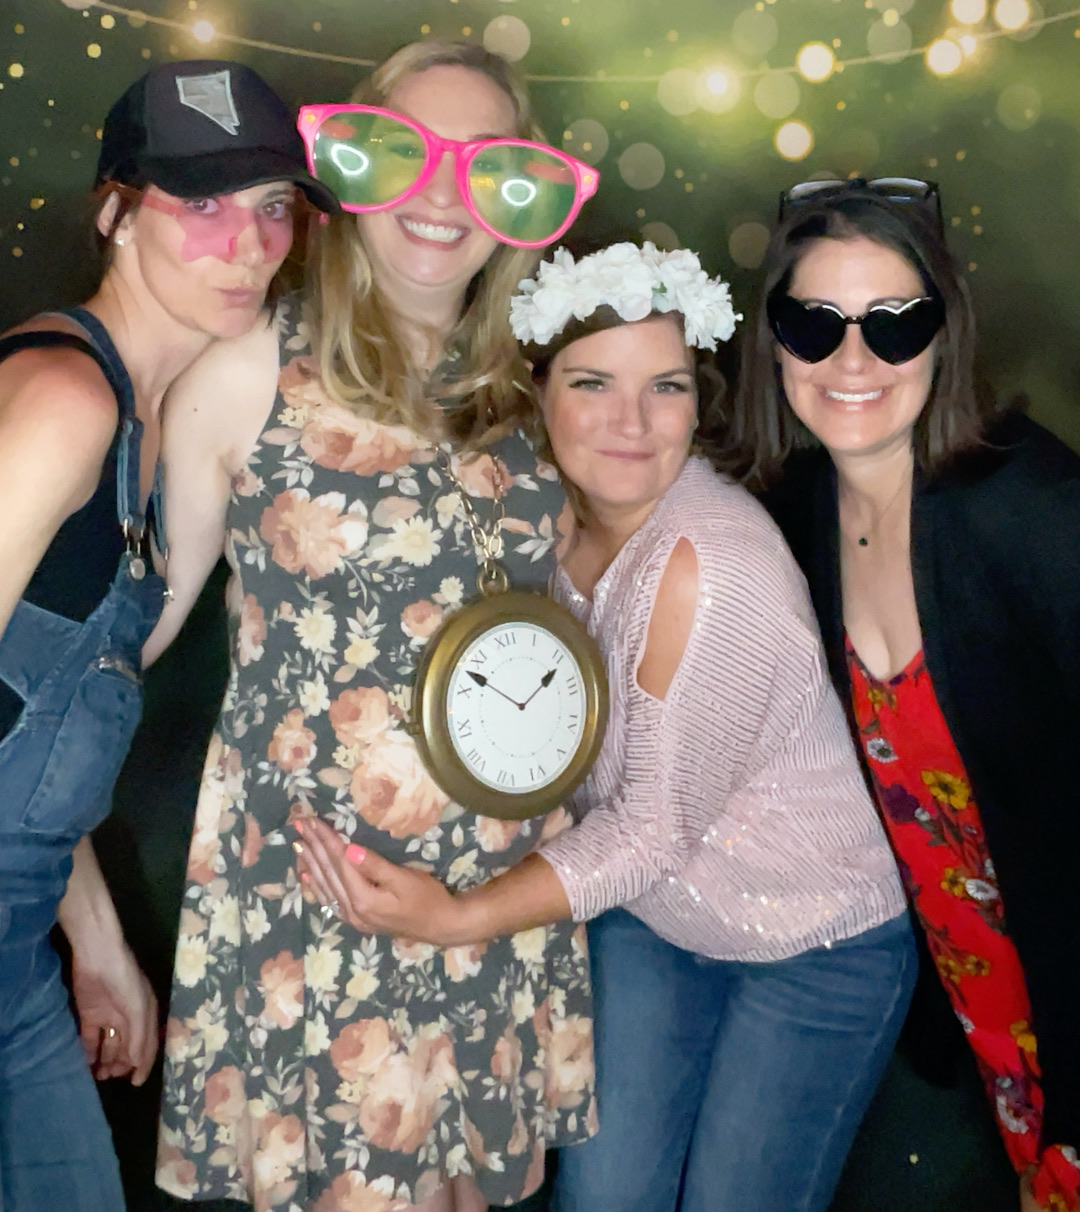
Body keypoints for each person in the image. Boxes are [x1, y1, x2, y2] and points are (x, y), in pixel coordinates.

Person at [294, 238, 915, 1212]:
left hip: (811, 945)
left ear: (697, 404)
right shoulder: (539, 520)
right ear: (537, 392)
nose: (632, 423)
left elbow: (652, 828)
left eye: (666, 387)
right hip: (656, 917)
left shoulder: (713, 567)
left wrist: (456, 917)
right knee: (603, 1198)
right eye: (593, 383)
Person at [148, 40, 601, 1211]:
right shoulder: (250, 368)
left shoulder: (532, 390)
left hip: (494, 886)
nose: (442, 194)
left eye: (483, 164)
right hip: (323, 894)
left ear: (519, 198)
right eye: (408, 152)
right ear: (353, 163)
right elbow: (129, 632)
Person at [0, 58, 335, 1212]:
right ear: (115, 214)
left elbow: (23, 732)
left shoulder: (148, 426)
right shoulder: (66, 403)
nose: (247, 244)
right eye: (199, 203)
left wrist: (90, 933)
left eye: (273, 206)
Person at [723, 176, 1080, 1212]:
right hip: (976, 1008)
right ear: (774, 343)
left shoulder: (1035, 509)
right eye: (813, 323)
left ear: (944, 335)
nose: (852, 361)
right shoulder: (795, 516)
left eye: (894, 323)